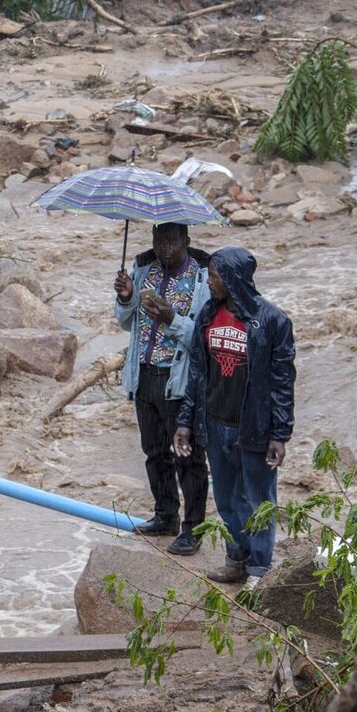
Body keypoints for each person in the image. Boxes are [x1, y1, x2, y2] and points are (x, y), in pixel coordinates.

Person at [173, 246, 296, 586]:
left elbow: (283, 382)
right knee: (227, 499)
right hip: (214, 424)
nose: (209, 281)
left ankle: (259, 569)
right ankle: (236, 560)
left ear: (233, 278)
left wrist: (280, 434)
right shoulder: (208, 315)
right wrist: (185, 421)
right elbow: (197, 373)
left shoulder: (272, 321)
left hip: (254, 427)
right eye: (210, 274)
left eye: (214, 275)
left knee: (258, 501)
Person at [114, 222, 211, 556]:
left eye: (170, 241)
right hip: (144, 373)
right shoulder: (145, 271)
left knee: (189, 457)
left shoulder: (202, 279)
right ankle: (165, 515)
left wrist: (172, 318)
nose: (163, 247)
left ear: (185, 241)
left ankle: (193, 528)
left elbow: (204, 338)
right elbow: (128, 322)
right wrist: (126, 297)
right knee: (154, 452)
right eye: (158, 241)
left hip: (179, 380)